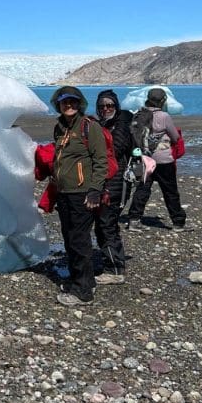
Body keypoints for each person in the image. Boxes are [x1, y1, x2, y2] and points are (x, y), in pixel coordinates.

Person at [49, 86, 108, 305]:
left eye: (73, 102)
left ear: (80, 103)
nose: (69, 105)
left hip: (82, 193)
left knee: (79, 239)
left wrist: (95, 190)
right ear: (59, 104)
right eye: (65, 102)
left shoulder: (89, 127)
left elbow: (100, 161)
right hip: (64, 193)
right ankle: (82, 280)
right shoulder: (60, 128)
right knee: (69, 237)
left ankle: (83, 292)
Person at [127, 88, 188, 230]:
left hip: (144, 159)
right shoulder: (164, 116)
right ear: (162, 100)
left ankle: (134, 220)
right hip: (163, 159)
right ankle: (178, 222)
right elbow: (175, 137)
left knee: (142, 189)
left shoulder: (139, 114)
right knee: (170, 191)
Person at [92, 89, 132, 285]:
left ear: (116, 106)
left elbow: (113, 151)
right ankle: (114, 263)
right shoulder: (103, 125)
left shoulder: (121, 126)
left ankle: (114, 269)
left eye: (109, 105)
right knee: (105, 225)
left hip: (115, 183)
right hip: (106, 182)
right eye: (102, 106)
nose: (105, 109)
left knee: (106, 225)